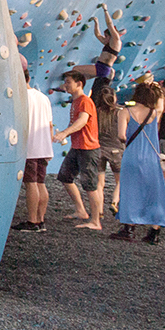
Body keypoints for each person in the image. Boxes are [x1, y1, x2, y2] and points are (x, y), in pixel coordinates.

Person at [111, 80, 165, 243]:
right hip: (151, 157)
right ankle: (154, 232)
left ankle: (128, 228)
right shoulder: (155, 112)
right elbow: (161, 105)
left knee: (130, 190)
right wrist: (157, 88)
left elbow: (121, 136)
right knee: (154, 192)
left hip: (132, 155)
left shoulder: (125, 112)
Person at [52, 70, 102, 230]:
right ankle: (81, 210)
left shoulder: (85, 101)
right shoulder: (75, 101)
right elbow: (76, 123)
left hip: (88, 149)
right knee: (65, 177)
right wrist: (65, 134)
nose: (65, 85)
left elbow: (82, 121)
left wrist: (64, 133)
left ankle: (95, 221)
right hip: (78, 147)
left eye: (68, 82)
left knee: (90, 185)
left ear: (79, 83)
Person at [12, 60, 54, 233]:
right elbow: (50, 124)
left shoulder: (21, 97)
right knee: (40, 183)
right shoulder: (43, 97)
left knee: (30, 184)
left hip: (29, 146)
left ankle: (31, 221)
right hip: (44, 146)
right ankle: (41, 220)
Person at [91, 78, 125, 217]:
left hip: (99, 149)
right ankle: (114, 202)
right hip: (117, 149)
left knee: (99, 183)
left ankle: (99, 212)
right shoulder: (120, 112)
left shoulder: (96, 112)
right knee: (120, 181)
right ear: (114, 97)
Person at [70, 5, 123, 82]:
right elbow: (98, 35)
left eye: (106, 36)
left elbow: (110, 24)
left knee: (75, 69)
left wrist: (105, 10)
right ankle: (69, 88)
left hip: (102, 68)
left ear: (111, 35)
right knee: (83, 78)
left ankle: (67, 85)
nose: (105, 38)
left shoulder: (116, 40)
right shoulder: (108, 42)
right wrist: (96, 23)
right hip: (100, 67)